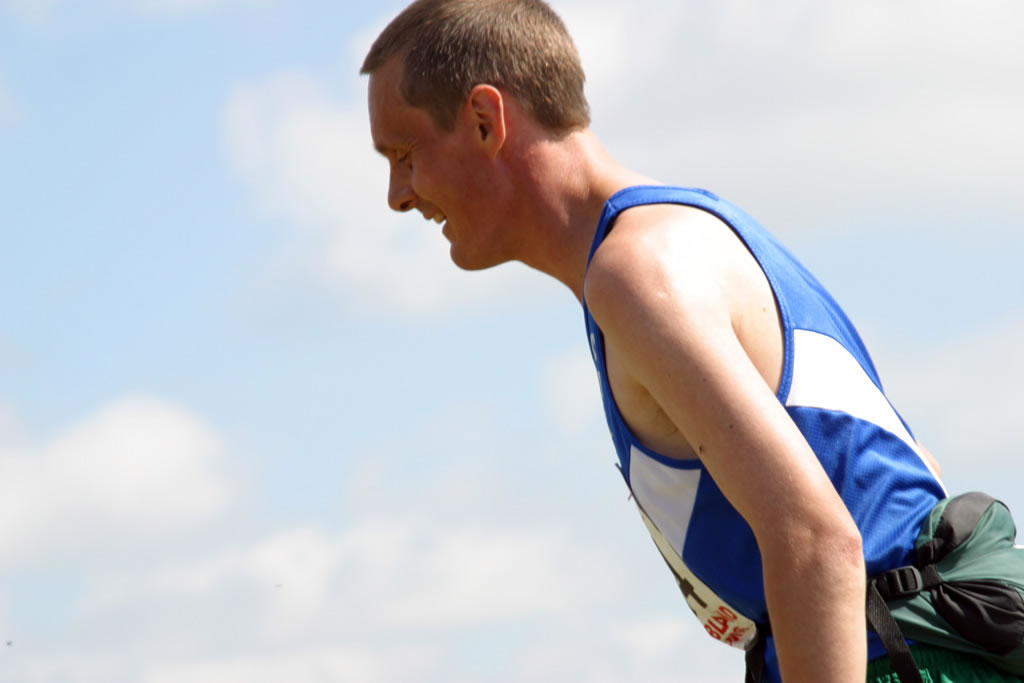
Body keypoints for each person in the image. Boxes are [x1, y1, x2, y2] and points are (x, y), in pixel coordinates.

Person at [360, 1, 1019, 681]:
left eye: (404, 156)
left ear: (484, 120)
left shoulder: (639, 271)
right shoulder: (690, 235)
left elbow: (818, 538)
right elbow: (904, 476)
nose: (396, 195)